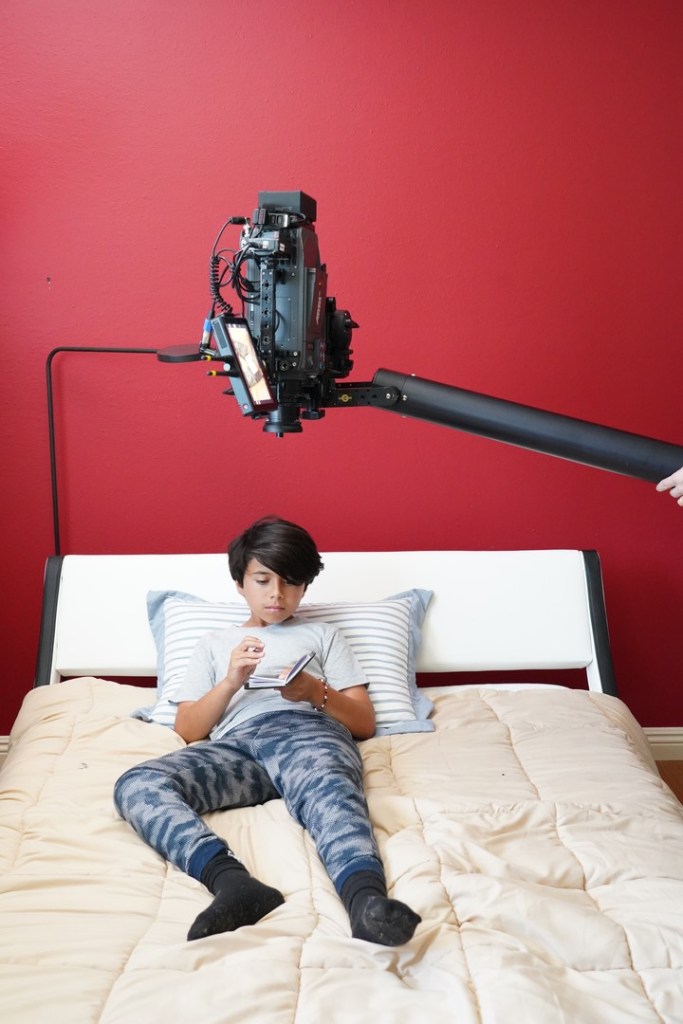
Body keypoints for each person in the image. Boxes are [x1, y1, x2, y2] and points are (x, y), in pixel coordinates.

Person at [114, 515, 421, 947]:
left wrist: (313, 691)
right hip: (238, 747)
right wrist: (230, 682)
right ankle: (233, 883)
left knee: (331, 791)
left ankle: (365, 901)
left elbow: (364, 722)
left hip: (307, 733)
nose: (277, 593)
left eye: (291, 582)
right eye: (263, 580)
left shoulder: (323, 635)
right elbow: (188, 729)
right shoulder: (213, 643)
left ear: (305, 587)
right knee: (138, 784)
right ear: (240, 583)